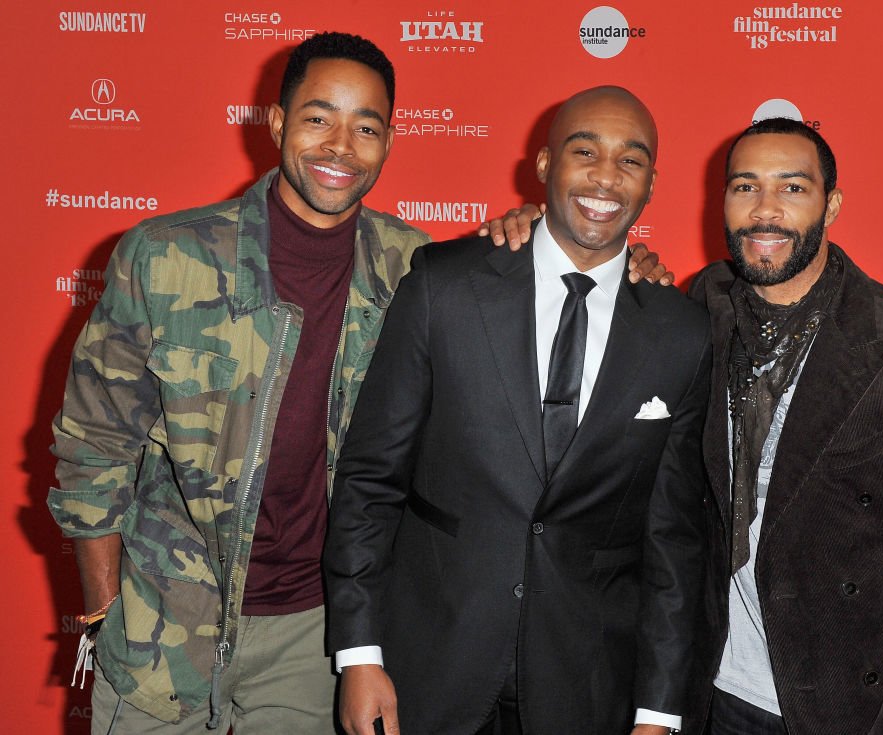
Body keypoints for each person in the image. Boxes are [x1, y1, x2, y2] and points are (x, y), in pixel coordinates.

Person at [47, 33, 668, 734]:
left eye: (366, 126)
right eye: (318, 118)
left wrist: (619, 263)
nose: (341, 146)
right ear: (277, 123)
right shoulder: (165, 257)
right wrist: (104, 612)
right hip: (164, 621)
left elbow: (551, 272)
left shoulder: (416, 268)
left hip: (318, 635)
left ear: (389, 141)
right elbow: (91, 450)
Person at [324, 86, 716, 735]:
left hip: (587, 688)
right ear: (544, 165)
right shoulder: (442, 288)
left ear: (651, 183)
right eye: (584, 151)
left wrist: (658, 709)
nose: (605, 178)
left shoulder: (682, 334)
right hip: (429, 668)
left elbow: (673, 544)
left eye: (631, 161)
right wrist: (360, 653)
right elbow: (370, 482)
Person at [689, 117, 883, 735]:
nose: (765, 211)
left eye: (793, 188)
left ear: (831, 203)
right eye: (745, 187)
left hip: (843, 706)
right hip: (713, 691)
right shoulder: (706, 302)